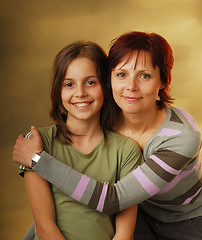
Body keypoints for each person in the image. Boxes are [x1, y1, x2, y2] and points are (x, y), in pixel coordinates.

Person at [13, 31, 202, 240]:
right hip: (138, 213)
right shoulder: (105, 116)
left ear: (163, 80)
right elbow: (57, 207)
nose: (131, 86)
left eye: (145, 75)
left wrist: (36, 160)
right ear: (109, 79)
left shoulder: (182, 137)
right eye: (121, 74)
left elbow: (114, 199)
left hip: (183, 221)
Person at [17, 41, 143, 240]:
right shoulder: (39, 143)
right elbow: (45, 229)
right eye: (69, 84)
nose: (80, 93)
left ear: (106, 86)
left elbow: (124, 235)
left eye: (90, 82)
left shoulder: (126, 151)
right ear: (58, 91)